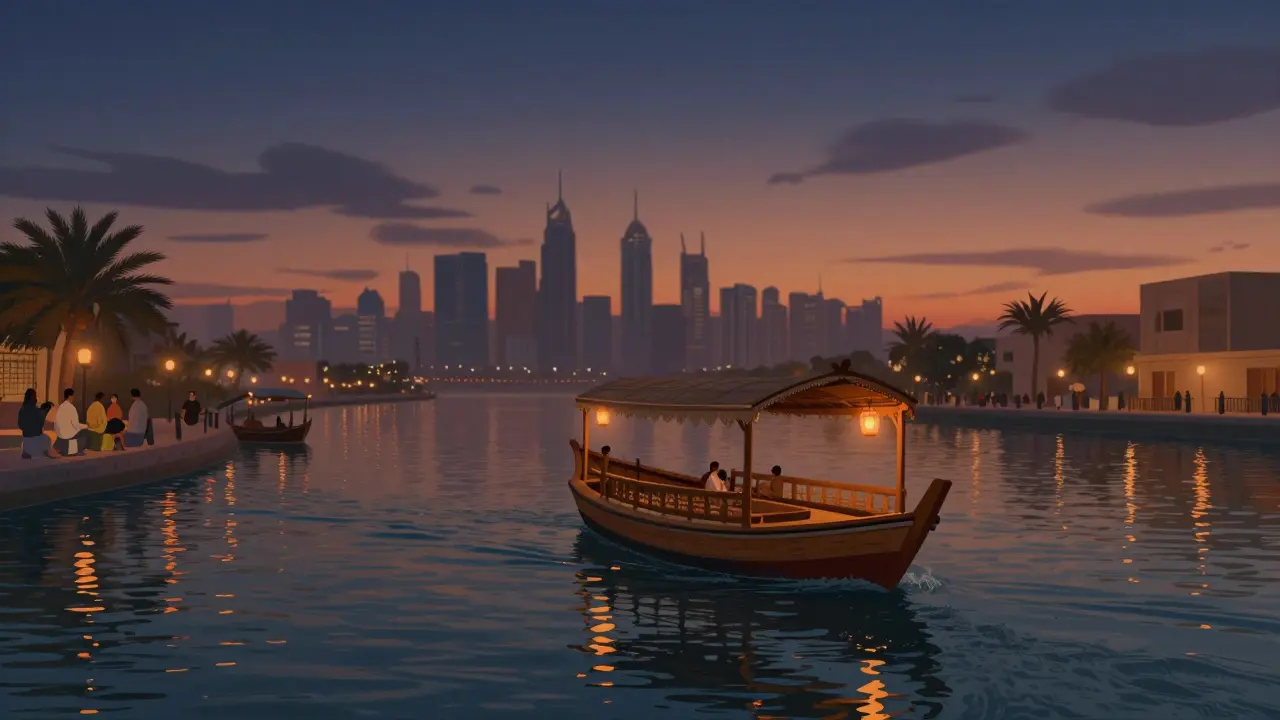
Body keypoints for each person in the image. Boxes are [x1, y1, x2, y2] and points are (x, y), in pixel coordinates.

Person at [18, 388, 55, 459]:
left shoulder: (22, 409)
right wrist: (45, 411)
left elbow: (20, 424)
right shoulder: (34, 409)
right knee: (47, 439)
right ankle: (44, 453)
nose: (36, 398)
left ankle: (27, 453)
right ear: (32, 397)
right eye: (35, 396)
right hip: (36, 438)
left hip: (26, 439)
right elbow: (40, 423)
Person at [53, 388, 90, 456]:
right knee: (85, 432)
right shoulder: (71, 407)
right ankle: (77, 450)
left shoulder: (60, 407)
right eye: (73, 396)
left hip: (59, 434)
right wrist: (86, 426)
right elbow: (75, 425)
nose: (74, 398)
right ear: (70, 396)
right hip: (68, 434)